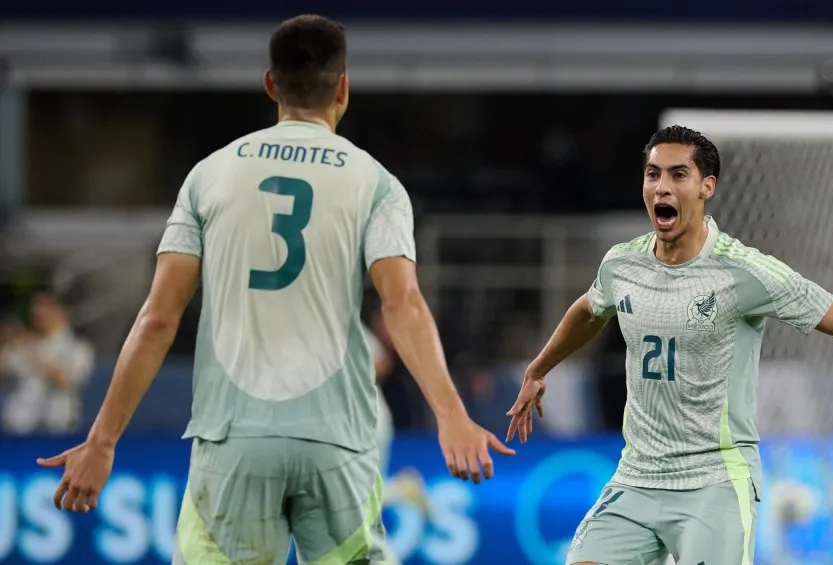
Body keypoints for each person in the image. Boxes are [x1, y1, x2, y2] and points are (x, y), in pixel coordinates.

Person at [36, 14, 513, 565]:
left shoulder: (209, 175)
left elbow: (159, 318)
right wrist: (451, 414)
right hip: (336, 440)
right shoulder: (376, 183)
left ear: (270, 85)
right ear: (343, 88)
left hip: (235, 438)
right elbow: (401, 303)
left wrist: (102, 441)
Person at [506, 125, 833, 565]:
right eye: (653, 175)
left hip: (714, 482)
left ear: (706, 187)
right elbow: (590, 311)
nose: (662, 187)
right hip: (637, 477)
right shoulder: (621, 265)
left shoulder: (746, 272)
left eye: (678, 175)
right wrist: (539, 369)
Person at [2, 294, 94, 435]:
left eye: (46, 309)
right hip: (18, 429)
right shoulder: (22, 345)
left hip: (57, 430)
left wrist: (33, 353)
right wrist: (6, 341)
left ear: (61, 312)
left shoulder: (78, 348)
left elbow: (65, 380)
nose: (39, 314)